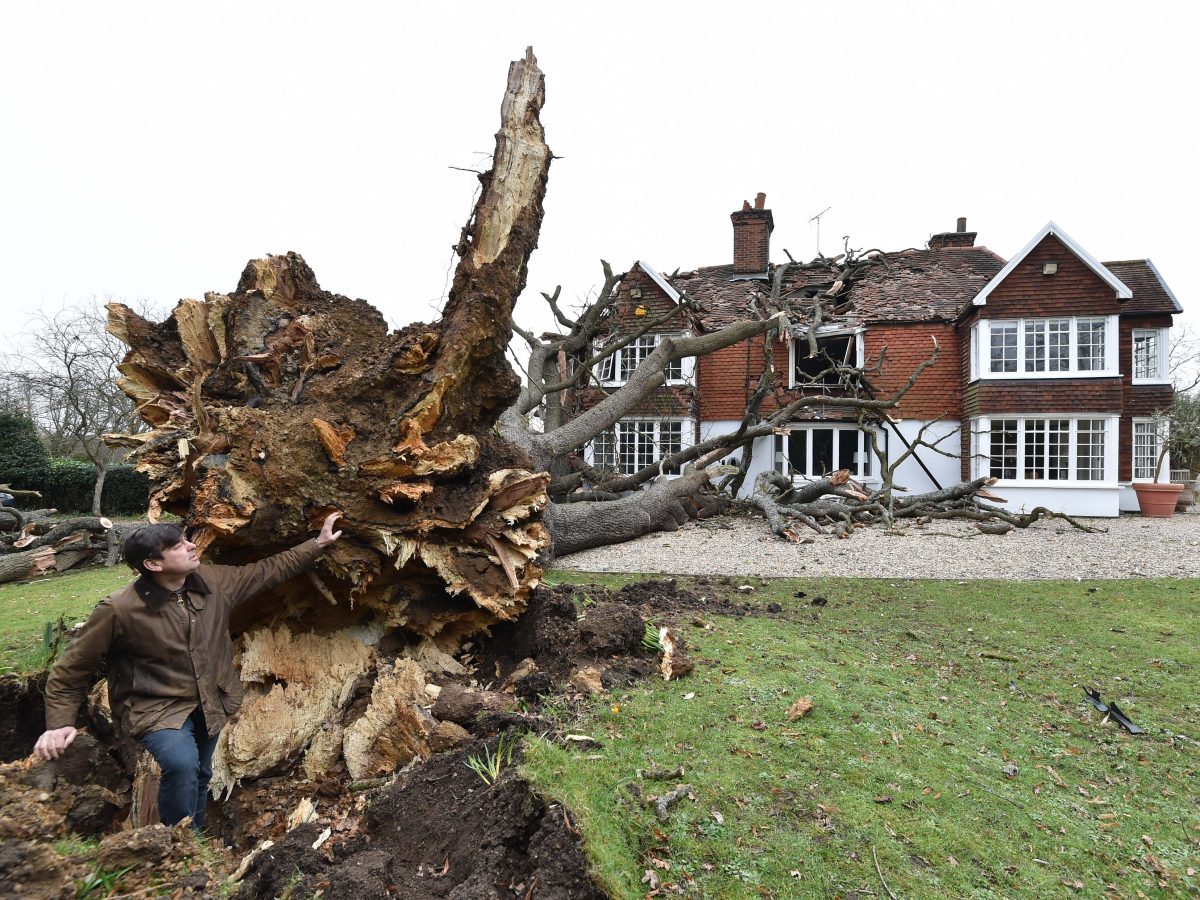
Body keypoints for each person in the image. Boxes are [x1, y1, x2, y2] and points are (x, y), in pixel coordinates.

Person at [33, 511, 343, 831]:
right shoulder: (118, 610)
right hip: (156, 707)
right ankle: (179, 841)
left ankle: (192, 839)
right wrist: (58, 724)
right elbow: (71, 670)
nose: (192, 546)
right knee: (182, 765)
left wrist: (317, 544)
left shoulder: (213, 582)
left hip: (211, 699)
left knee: (201, 773)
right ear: (154, 564)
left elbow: (266, 571)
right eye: (179, 546)